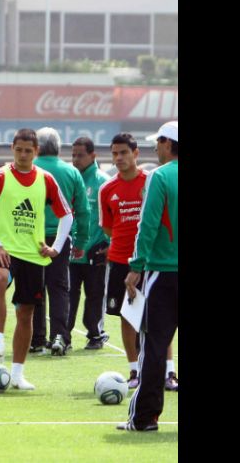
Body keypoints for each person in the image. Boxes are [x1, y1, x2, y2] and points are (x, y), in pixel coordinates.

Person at [0, 128, 74, 390]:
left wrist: (56, 247)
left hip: (34, 255)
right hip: (5, 250)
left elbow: (67, 215)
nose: (22, 155)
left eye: (28, 150)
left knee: (26, 313)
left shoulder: (46, 179)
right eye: (18, 149)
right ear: (12, 149)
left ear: (36, 152)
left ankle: (17, 374)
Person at [99, 133, 177, 390]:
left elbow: (152, 222)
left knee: (159, 319)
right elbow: (109, 229)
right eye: (114, 154)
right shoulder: (107, 189)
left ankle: (168, 372)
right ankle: (134, 371)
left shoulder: (154, 180)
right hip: (122, 260)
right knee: (128, 316)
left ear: (136, 154)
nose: (119, 158)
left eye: (124, 152)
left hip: (150, 262)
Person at [117, 121, 178, 432]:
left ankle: (144, 418)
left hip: (165, 273)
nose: (156, 147)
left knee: (153, 347)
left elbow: (148, 225)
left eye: (159, 142)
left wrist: (136, 266)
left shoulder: (160, 177)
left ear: (168, 144)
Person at [31, 127, 90, 356]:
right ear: (58, 147)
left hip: (30, 238)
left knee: (34, 287)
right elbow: (83, 211)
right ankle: (60, 336)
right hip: (61, 237)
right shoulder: (72, 173)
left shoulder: (29, 170)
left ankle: (36, 338)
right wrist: (82, 241)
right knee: (59, 288)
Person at [67, 137, 111, 350]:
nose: (75, 159)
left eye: (80, 155)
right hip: (72, 251)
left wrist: (108, 244)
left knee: (95, 294)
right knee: (68, 294)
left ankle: (95, 333)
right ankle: (63, 333)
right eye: (73, 155)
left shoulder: (103, 182)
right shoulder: (69, 179)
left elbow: (112, 216)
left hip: (96, 250)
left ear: (93, 156)